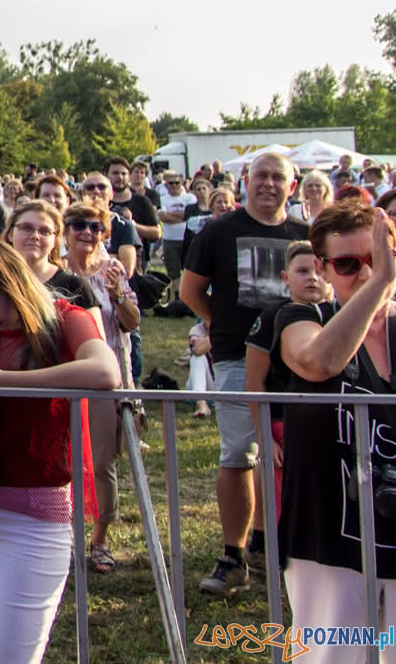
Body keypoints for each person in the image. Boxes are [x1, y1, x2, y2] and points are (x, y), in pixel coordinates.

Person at [0, 237, 120, 664]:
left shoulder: (66, 319)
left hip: (37, 511)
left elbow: (106, 371)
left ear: (14, 280)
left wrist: (0, 382)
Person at [181, 151, 306, 594]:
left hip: (299, 360)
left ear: (293, 185)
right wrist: (221, 325)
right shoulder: (219, 230)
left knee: (294, 453)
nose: (269, 183)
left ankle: (274, 542)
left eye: (279, 177)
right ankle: (234, 557)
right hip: (236, 356)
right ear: (245, 180)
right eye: (261, 175)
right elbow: (190, 289)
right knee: (239, 452)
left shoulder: (304, 235)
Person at [275, 201, 396, 643]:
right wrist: (382, 282)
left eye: (375, 259)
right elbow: (320, 361)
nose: (364, 274)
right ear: (323, 269)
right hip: (329, 537)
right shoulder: (302, 318)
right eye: (348, 264)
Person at [57, 202, 138, 574]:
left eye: (95, 226)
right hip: (61, 374)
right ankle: (63, 535)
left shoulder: (113, 270)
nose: (87, 232)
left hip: (106, 376)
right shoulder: (53, 272)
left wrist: (119, 293)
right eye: (78, 225)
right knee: (64, 459)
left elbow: (132, 322)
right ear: (66, 230)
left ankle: (101, 538)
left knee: (102, 460)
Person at [244, 240, 324, 522]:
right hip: (284, 425)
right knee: (287, 505)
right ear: (285, 278)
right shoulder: (272, 316)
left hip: (329, 425)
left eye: (319, 269)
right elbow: (254, 381)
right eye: (302, 271)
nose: (313, 277)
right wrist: (265, 437)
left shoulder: (340, 315)